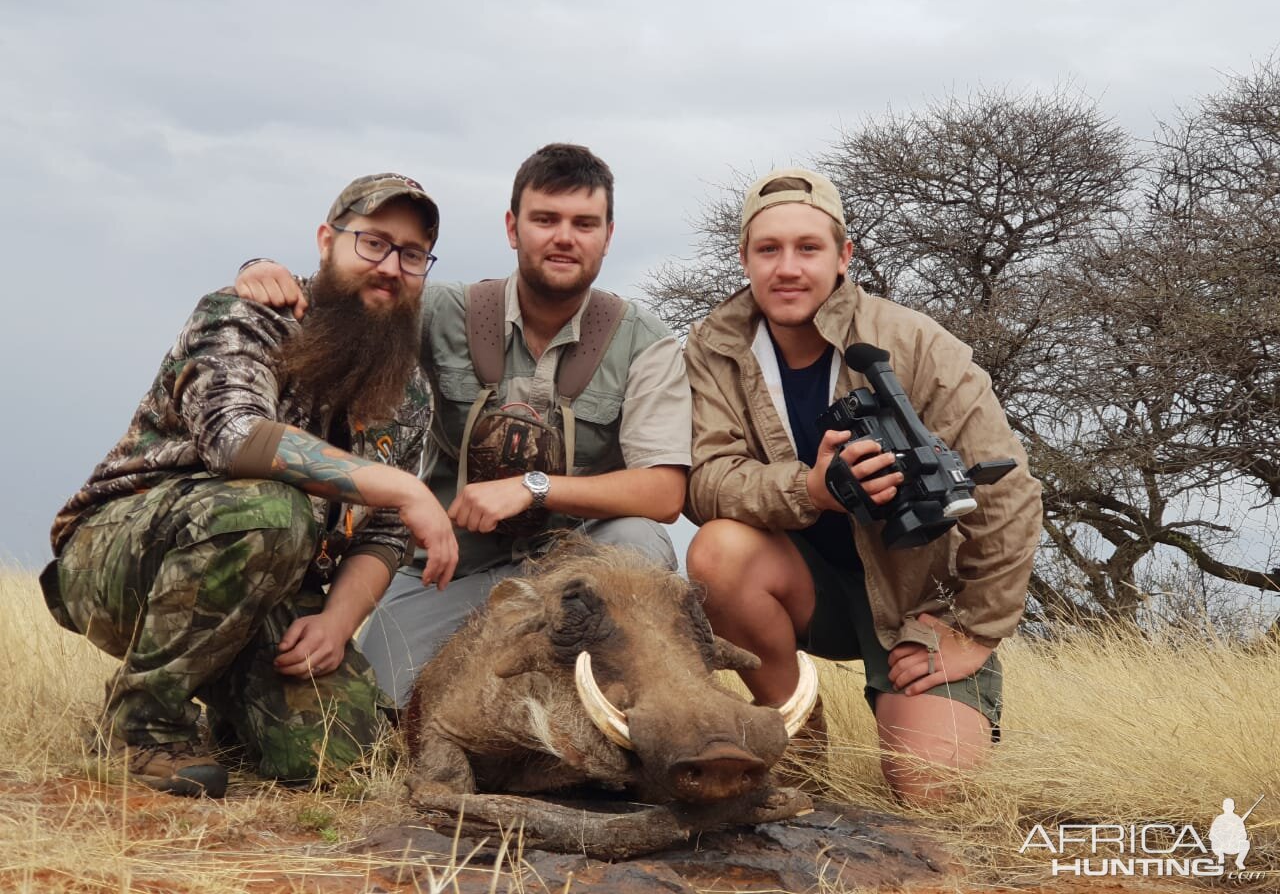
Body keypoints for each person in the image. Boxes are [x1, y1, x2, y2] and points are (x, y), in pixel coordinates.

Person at [42, 173, 459, 798]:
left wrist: (337, 623)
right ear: (327, 241)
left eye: (412, 253)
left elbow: (387, 535)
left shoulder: (411, 388)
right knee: (271, 509)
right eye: (373, 243)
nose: (391, 267)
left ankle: (238, 716)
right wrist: (402, 486)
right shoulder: (242, 314)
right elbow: (233, 435)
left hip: (267, 586)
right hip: (122, 561)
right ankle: (140, 727)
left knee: (340, 756)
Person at [235, 144, 691, 707]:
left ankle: (615, 702)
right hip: (449, 571)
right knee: (379, 710)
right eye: (545, 219)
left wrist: (531, 487)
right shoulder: (440, 309)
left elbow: (664, 493)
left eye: (584, 223)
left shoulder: (646, 341)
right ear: (512, 227)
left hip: (580, 575)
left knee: (640, 542)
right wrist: (262, 270)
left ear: (608, 234)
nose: (564, 237)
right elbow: (354, 291)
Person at [683, 167, 1041, 802]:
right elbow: (709, 480)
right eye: (768, 249)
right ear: (744, 258)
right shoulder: (712, 347)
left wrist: (972, 631)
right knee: (716, 549)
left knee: (932, 793)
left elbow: (1009, 491)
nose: (787, 268)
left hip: (915, 602)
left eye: (808, 248)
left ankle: (942, 704)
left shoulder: (915, 341)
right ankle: (796, 729)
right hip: (799, 585)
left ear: (844, 256)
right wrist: (811, 492)